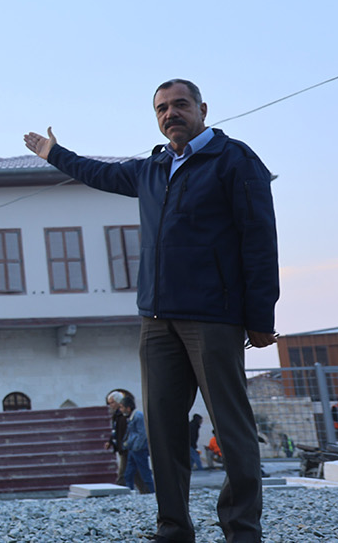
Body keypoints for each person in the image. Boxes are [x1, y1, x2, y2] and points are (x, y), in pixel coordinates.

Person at [24, 79, 278, 543]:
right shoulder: (153, 169)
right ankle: (173, 529)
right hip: (157, 319)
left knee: (233, 428)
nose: (170, 114)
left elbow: (259, 240)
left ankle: (242, 531)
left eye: (180, 105)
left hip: (213, 317)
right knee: (161, 430)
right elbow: (98, 173)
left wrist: (261, 317)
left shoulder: (235, 160)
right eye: (162, 108)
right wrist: (54, 153)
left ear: (202, 108)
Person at [121, 394, 156, 493]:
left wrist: (136, 447)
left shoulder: (138, 416)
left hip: (138, 450)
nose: (121, 410)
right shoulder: (131, 417)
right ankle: (130, 492)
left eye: (122, 407)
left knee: (145, 472)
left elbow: (142, 434)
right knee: (129, 473)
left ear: (128, 408)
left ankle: (152, 492)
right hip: (133, 449)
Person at [106, 391, 131, 486]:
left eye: (112, 402)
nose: (111, 405)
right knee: (135, 473)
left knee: (122, 473)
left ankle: (119, 491)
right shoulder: (116, 415)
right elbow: (115, 431)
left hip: (126, 448)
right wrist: (110, 442)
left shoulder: (123, 415)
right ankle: (147, 490)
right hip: (122, 448)